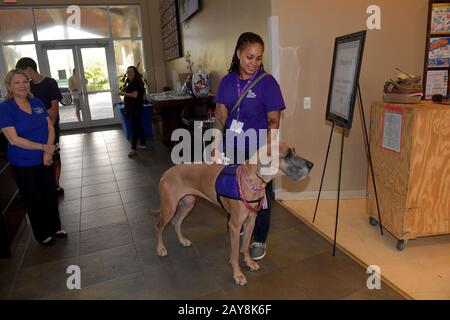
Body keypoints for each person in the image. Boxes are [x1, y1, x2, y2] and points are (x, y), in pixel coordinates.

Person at [212, 32, 286, 260]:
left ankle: (259, 239)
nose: (254, 63)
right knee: (231, 191)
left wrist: (267, 154)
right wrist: (216, 145)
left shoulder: (268, 83)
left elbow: (274, 121)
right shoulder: (227, 81)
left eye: (258, 58)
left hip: (257, 151)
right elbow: (220, 117)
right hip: (231, 148)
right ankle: (238, 226)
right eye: (249, 57)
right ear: (238, 55)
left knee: (259, 198)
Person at [0, 69, 67, 245]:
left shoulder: (36, 102)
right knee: (34, 198)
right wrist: (45, 147)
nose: (22, 85)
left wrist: (47, 152)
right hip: (23, 163)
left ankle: (55, 227)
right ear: (9, 86)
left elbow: (50, 127)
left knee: (50, 194)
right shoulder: (5, 108)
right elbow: (13, 140)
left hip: (45, 158)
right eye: (17, 82)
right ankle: (42, 233)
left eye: (25, 81)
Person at [15, 57, 64, 195]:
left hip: (51, 128)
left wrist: (49, 131)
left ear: (30, 69)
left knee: (54, 156)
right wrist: (42, 113)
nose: (22, 79)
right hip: (36, 131)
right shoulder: (28, 87)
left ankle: (56, 184)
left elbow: (54, 110)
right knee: (40, 157)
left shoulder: (50, 83)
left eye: (23, 73)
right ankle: (46, 185)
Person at [119, 66, 146, 158]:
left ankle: (133, 149)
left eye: (131, 72)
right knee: (138, 127)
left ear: (135, 73)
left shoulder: (135, 82)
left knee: (134, 128)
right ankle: (142, 144)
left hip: (135, 109)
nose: (129, 73)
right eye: (128, 72)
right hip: (135, 108)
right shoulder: (133, 81)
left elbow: (135, 95)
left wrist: (124, 93)